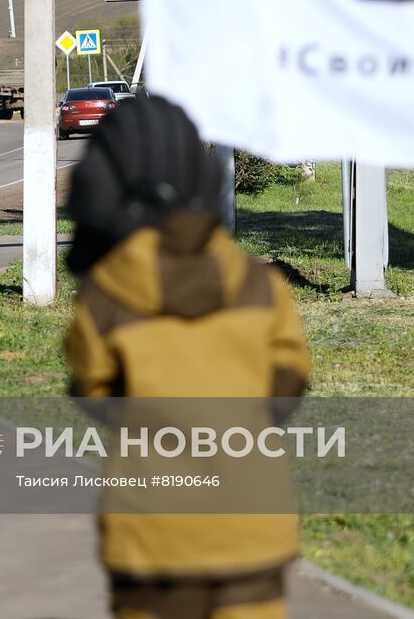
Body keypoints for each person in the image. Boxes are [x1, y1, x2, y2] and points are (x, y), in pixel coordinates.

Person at [64, 96, 311, 619]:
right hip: (253, 523)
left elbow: (93, 390)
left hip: (151, 532)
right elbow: (287, 386)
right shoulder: (262, 286)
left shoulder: (105, 294)